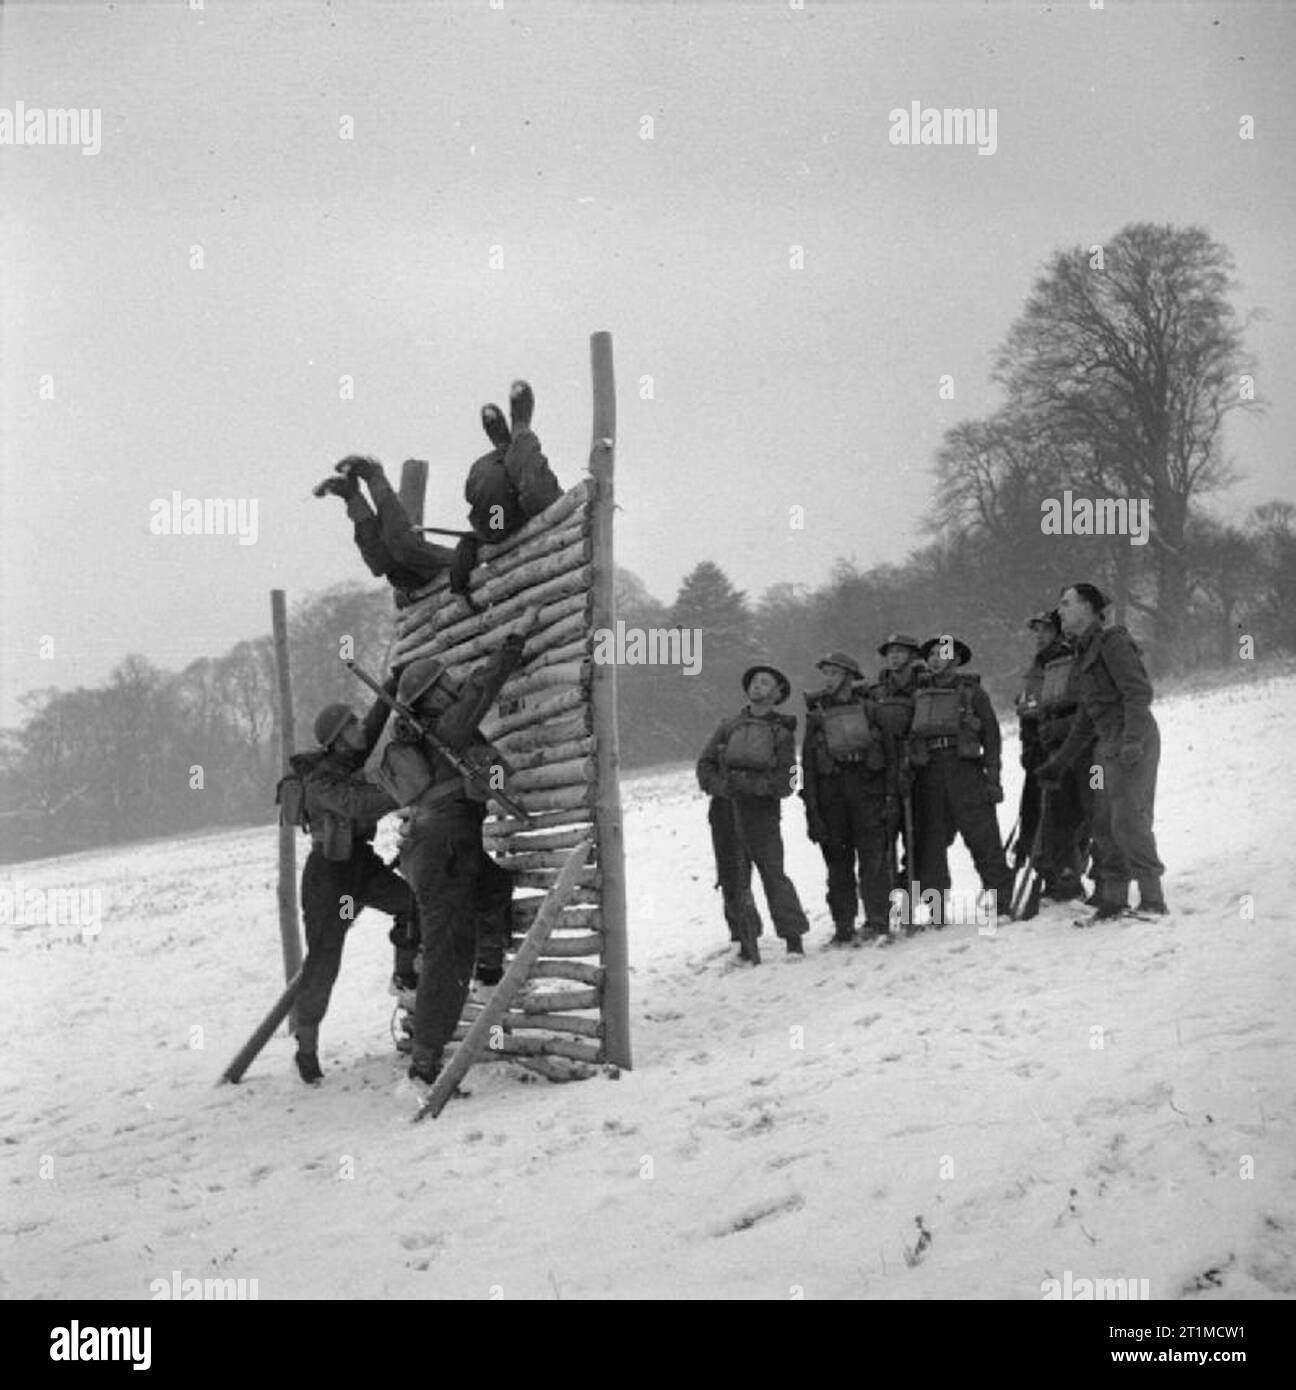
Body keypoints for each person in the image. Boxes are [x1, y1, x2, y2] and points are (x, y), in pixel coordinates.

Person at [377, 606, 540, 1086]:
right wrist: (512, 644)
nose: (454, 686)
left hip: (438, 847)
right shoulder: (447, 726)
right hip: (445, 848)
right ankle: (426, 1060)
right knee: (448, 955)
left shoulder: (425, 735)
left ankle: (489, 966)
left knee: (492, 888)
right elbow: (482, 689)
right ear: (435, 695)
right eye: (447, 683)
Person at [313, 381, 562, 603]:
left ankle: (360, 488)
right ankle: (509, 441)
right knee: (398, 551)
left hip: (469, 562)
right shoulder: (509, 512)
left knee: (387, 562)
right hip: (479, 553)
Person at [292, 677, 418, 1084]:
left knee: (412, 905)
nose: (359, 727)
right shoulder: (320, 781)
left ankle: (404, 974)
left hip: (359, 866)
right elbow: (359, 803)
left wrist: (391, 686)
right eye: (351, 725)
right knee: (324, 961)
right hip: (328, 877)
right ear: (336, 738)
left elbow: (373, 728)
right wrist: (406, 787)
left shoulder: (345, 760)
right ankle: (306, 1049)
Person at [1036, 583, 1166, 923]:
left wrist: (1133, 742)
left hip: (1131, 740)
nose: (1060, 610)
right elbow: (1086, 717)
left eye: (1066, 603)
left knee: (1128, 819)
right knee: (1103, 822)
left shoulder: (1112, 643)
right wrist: (1060, 762)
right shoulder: (1082, 651)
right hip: (1106, 744)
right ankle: (1114, 899)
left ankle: (1153, 899)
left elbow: (1139, 693)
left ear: (1088, 609)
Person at [697, 665, 810, 957]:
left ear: (778, 693)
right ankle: (745, 939)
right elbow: (705, 765)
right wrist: (722, 787)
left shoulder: (782, 733)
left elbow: (789, 779)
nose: (758, 687)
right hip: (725, 810)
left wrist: (756, 787)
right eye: (755, 682)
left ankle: (793, 938)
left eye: (765, 683)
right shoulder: (729, 726)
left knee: (773, 873)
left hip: (761, 813)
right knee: (733, 876)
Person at [907, 635, 1015, 919]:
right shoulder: (917, 694)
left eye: (941, 653)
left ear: (955, 660)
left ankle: (1001, 904)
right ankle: (936, 911)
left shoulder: (973, 693)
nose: (934, 659)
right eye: (930, 654)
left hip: (965, 772)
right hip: (929, 775)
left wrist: (993, 779)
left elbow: (991, 738)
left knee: (984, 842)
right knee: (931, 847)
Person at [800, 651, 893, 945]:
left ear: (850, 677)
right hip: (831, 795)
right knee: (837, 865)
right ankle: (843, 926)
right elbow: (807, 765)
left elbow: (891, 755)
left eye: (834, 673)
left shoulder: (871, 710)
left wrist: (891, 795)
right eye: (825, 674)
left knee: (874, 862)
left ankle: (878, 922)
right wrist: (811, 809)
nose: (828, 679)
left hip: (868, 792)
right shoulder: (816, 716)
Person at [1014, 611, 1086, 902]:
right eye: (1037, 631)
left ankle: (1067, 876)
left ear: (1058, 632)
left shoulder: (1069, 660)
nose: (1040, 636)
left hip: (1063, 750)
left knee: (1064, 814)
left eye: (1045, 630)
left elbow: (1071, 706)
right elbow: (1026, 708)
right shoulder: (1037, 664)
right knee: (1034, 815)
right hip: (1037, 751)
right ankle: (1049, 874)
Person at [866, 634, 926, 895]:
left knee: (922, 843)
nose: (894, 656)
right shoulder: (875, 692)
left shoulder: (925, 686)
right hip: (885, 774)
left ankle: (931, 907)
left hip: (922, 772)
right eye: (890, 652)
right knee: (884, 841)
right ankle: (887, 907)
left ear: (913, 656)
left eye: (900, 651)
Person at [702, 791, 764, 960]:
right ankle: (741, 933)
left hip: (758, 806)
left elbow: (792, 775)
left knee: (772, 877)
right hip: (724, 809)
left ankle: (791, 936)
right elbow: (705, 775)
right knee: (730, 878)